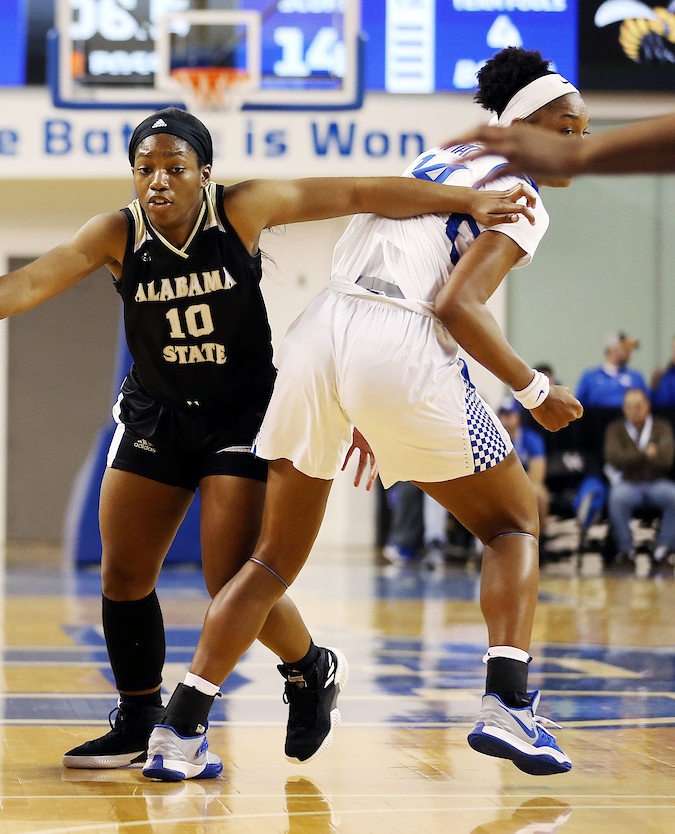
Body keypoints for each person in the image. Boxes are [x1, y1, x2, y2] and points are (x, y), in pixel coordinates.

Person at [0, 106, 533, 773]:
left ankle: (308, 668)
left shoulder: (243, 209)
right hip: (157, 413)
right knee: (123, 573)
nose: (158, 182)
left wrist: (468, 199)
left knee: (231, 575)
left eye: (174, 168)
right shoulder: (116, 232)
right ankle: (138, 718)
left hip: (239, 416)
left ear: (205, 174)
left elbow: (361, 193)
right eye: (145, 170)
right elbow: (31, 281)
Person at [126, 48, 584, 781]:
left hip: (320, 334)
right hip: (398, 341)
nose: (580, 142)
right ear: (523, 124)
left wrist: (362, 400)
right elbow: (457, 307)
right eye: (568, 126)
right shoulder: (521, 192)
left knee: (270, 560)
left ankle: (179, 731)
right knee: (511, 523)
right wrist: (535, 390)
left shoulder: (444, 156)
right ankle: (508, 704)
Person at [447, 110, 675, 182]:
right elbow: (458, 297)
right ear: (521, 128)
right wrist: (576, 154)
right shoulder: (520, 201)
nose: (579, 140)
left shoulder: (436, 155)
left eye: (585, 133)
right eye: (567, 131)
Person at [603, 387, 675, 567]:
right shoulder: (615, 429)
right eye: (629, 406)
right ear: (623, 409)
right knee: (617, 498)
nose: (633, 411)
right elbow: (614, 458)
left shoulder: (661, 427)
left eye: (638, 406)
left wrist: (631, 457)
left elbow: (666, 459)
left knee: (673, 496)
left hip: (657, 482)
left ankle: (663, 549)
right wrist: (645, 454)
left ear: (647, 406)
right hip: (629, 483)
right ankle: (627, 550)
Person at [496, 399, 549, 541]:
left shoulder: (531, 438)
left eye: (510, 415)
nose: (506, 420)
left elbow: (538, 472)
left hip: (526, 482)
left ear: (518, 416)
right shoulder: (494, 438)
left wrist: (519, 487)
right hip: (500, 482)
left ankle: (539, 537)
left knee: (539, 494)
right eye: (503, 415)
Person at [575, 333, 647, 409]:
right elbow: (579, 405)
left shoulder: (636, 377)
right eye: (624, 348)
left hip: (625, 419)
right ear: (611, 348)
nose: (628, 352)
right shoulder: (590, 377)